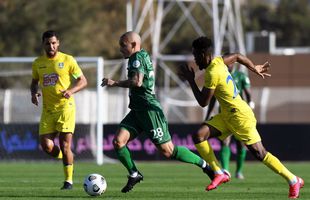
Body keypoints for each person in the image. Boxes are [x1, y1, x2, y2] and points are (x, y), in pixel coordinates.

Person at [179, 36, 304, 198]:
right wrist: (254, 68)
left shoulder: (212, 72)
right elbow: (237, 56)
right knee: (199, 135)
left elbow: (203, 102)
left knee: (260, 153)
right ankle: (219, 172)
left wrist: (191, 80)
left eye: (196, 56)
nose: (195, 61)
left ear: (204, 54)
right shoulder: (218, 61)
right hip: (226, 116)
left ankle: (293, 180)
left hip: (240, 116)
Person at [101, 31, 216, 193]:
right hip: (137, 110)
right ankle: (134, 174)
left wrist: (114, 83)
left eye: (123, 45)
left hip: (149, 111)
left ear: (133, 45)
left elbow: (137, 82)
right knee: (118, 142)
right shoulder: (142, 55)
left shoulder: (136, 58)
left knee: (168, 151)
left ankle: (205, 166)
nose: (120, 49)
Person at [30, 30, 87, 190]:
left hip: (65, 108)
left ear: (58, 43)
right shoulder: (37, 63)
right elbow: (34, 82)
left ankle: (68, 181)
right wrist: (34, 93)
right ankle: (67, 158)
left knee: (65, 144)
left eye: (54, 43)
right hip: (48, 110)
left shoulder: (68, 60)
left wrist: (71, 91)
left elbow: (83, 81)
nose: (51, 46)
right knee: (46, 146)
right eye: (48, 43)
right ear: (43, 44)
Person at [205, 63, 255, 180]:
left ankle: (239, 171)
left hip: (238, 114)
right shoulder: (218, 76)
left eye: (231, 63)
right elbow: (212, 98)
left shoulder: (241, 76)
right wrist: (208, 114)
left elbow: (247, 92)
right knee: (224, 141)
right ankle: (225, 170)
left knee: (240, 143)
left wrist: (250, 102)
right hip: (223, 114)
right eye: (227, 63)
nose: (229, 65)